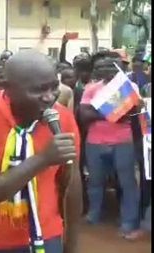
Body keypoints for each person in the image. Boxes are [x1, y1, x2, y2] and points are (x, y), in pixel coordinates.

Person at [0, 50, 82, 253]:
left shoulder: (63, 118)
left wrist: (72, 244)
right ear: (8, 88)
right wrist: (43, 159)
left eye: (53, 87)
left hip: (47, 237)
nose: (50, 97)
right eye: (39, 90)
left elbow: (71, 184)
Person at [79, 50, 141, 239]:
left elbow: (129, 114)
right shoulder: (91, 88)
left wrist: (98, 111)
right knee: (95, 182)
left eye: (111, 66)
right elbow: (84, 114)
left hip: (123, 142)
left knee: (127, 183)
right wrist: (111, 112)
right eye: (102, 67)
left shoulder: (130, 87)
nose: (106, 70)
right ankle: (94, 215)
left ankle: (128, 221)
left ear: (119, 68)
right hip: (94, 142)